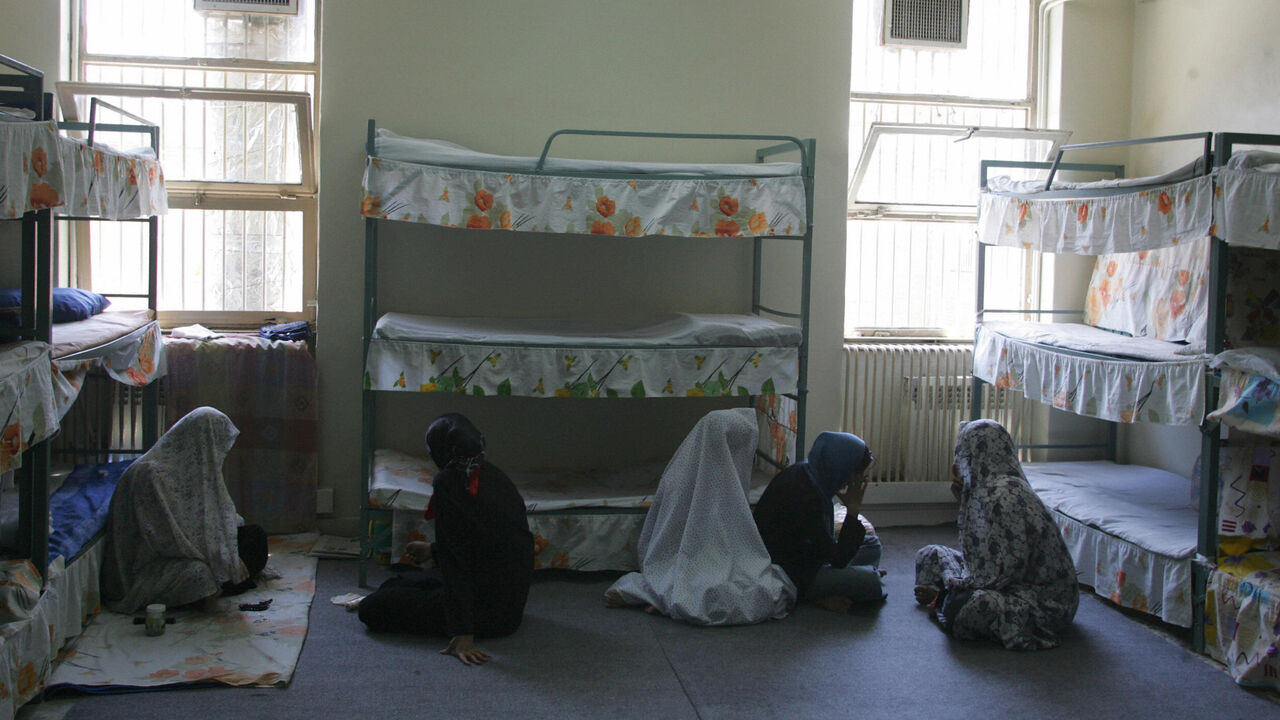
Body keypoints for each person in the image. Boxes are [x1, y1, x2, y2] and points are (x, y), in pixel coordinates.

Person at [358, 413, 534, 665]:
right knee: (394, 583)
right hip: (508, 603)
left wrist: (463, 632)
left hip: (486, 614)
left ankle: (461, 625)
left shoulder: (450, 483)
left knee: (372, 608)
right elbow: (488, 544)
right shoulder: (491, 473)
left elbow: (457, 561)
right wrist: (432, 549)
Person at [604, 408, 796, 625]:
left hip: (692, 555)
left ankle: (661, 598)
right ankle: (665, 598)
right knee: (748, 589)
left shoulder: (697, 470)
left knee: (722, 586)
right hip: (689, 552)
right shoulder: (689, 478)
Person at [914, 419, 1079, 650]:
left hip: (1042, 600)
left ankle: (942, 599)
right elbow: (979, 549)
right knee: (929, 555)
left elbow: (1004, 572)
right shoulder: (984, 486)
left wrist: (960, 586)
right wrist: (964, 503)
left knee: (969, 606)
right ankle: (943, 598)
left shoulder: (1006, 495)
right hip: (996, 576)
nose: (957, 463)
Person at [101, 406, 252, 614]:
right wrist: (219, 555)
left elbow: (208, 515)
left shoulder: (189, 469)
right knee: (202, 574)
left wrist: (227, 544)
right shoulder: (150, 475)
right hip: (145, 566)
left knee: (252, 538)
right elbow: (166, 539)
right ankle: (220, 584)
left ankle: (227, 578)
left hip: (185, 550)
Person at [753, 430, 886, 613]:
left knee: (872, 545)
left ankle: (851, 577)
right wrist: (853, 510)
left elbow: (825, 546)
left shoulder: (808, 473)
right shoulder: (807, 497)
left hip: (810, 556)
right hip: (792, 573)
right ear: (841, 467)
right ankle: (815, 596)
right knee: (872, 583)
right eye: (855, 473)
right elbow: (838, 559)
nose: (856, 480)